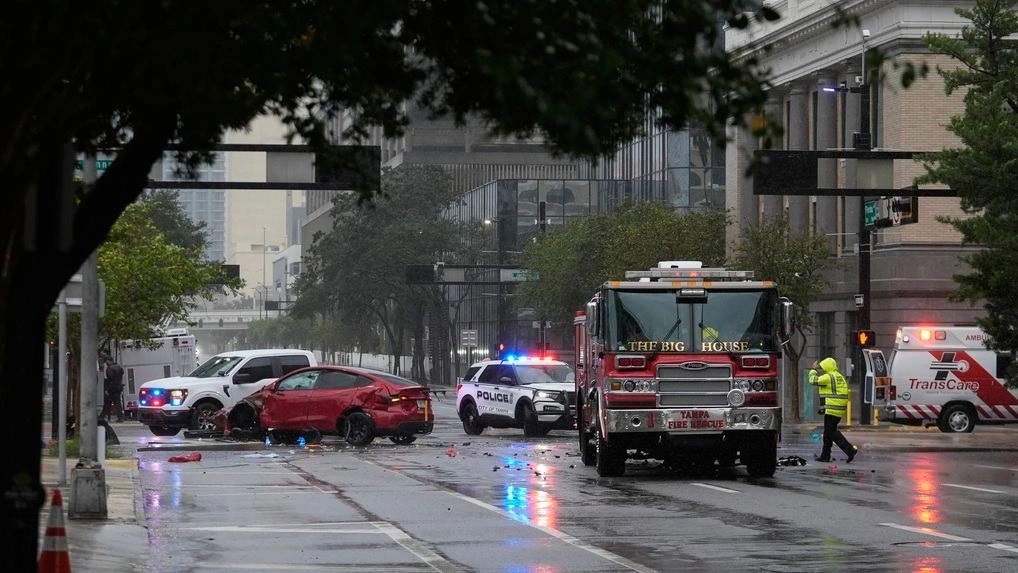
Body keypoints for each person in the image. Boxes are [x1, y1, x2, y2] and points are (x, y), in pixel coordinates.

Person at [808, 357, 859, 463]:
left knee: (831, 432)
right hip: (838, 408)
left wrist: (813, 369)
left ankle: (850, 450)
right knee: (827, 433)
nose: (821, 369)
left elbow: (812, 380)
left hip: (832, 408)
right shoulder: (838, 376)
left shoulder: (828, 377)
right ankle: (825, 456)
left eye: (822, 367)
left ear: (827, 367)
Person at [103, 356, 125, 423]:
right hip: (118, 387)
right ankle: (120, 417)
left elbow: (110, 379)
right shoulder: (119, 367)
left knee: (107, 403)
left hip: (112, 388)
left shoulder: (109, 368)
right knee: (118, 403)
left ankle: (105, 417)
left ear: (108, 361)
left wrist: (107, 389)